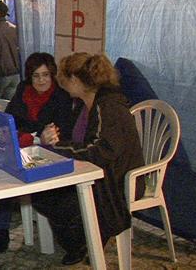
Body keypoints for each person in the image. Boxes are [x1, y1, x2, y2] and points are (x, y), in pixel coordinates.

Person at [34, 52, 145, 265]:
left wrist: (57, 146)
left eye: (64, 79)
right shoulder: (86, 104)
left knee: (55, 200)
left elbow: (101, 150)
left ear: (75, 80)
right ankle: (83, 240)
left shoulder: (109, 106)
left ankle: (84, 242)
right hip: (100, 173)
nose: (61, 84)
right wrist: (53, 137)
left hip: (116, 181)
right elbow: (77, 140)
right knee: (44, 195)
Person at [0, 53, 74, 253]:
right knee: (2, 169)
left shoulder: (61, 98)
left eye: (46, 75)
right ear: (29, 77)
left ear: (53, 75)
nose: (41, 80)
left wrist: (29, 134)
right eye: (36, 76)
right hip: (25, 145)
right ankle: (1, 227)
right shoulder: (23, 90)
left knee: (9, 171)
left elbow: (59, 133)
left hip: (49, 155)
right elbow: (10, 120)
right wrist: (32, 135)